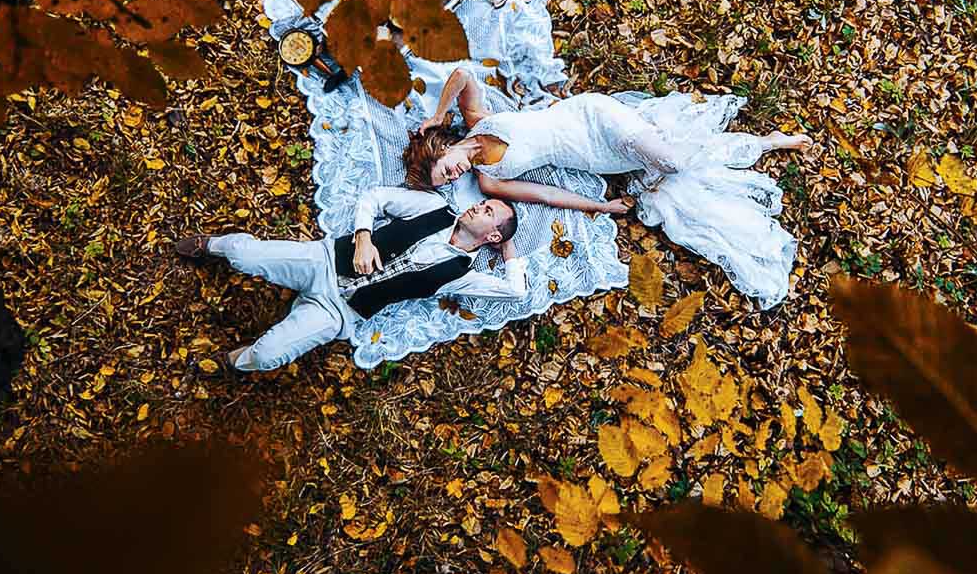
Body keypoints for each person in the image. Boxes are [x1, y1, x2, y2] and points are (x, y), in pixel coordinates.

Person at [402, 67, 815, 310]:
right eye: (449, 181)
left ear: (443, 147)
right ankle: (765, 143)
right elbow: (546, 195)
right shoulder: (489, 181)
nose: (455, 175)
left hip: (590, 113)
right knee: (672, 158)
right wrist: (599, 206)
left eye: (445, 169)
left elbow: (463, 75)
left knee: (671, 161)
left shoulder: (476, 120)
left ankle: (759, 144)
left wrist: (438, 115)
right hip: (592, 156)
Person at [173, 187, 526, 371]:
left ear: (492, 237)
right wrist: (363, 236)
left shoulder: (461, 275)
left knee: (267, 357)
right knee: (244, 255)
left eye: (488, 212)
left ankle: (229, 362)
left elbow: (515, 291)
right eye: (483, 203)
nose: (478, 207)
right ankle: (212, 245)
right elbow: (375, 197)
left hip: (339, 311)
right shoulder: (433, 207)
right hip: (323, 261)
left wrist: (508, 245)